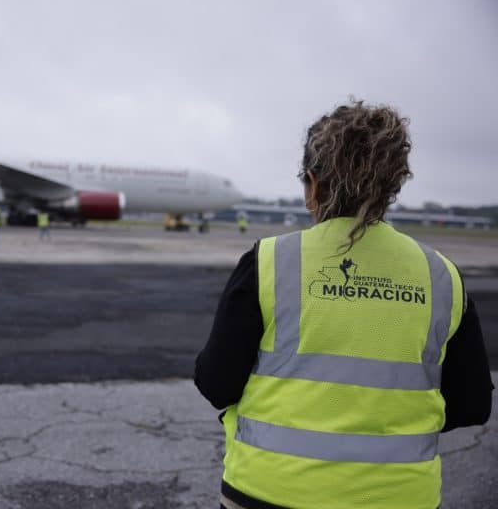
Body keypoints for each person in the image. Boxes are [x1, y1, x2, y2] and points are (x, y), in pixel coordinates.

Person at [195, 101, 493, 509]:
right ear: (392, 186)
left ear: (313, 184)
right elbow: (473, 405)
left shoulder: (269, 262)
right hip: (398, 498)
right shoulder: (442, 277)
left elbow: (216, 384)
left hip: (267, 491)